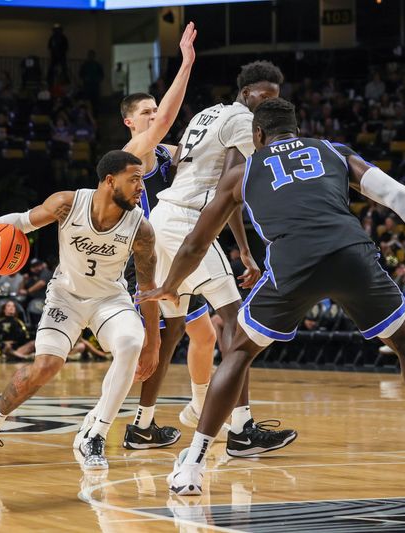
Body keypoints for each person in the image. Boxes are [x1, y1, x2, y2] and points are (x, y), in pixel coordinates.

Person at [139, 98, 405, 495]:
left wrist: (171, 283)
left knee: (239, 351)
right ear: (296, 128)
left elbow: (195, 243)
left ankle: (192, 464)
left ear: (257, 135)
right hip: (351, 254)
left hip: (293, 265)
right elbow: (398, 197)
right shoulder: (332, 150)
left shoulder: (242, 173)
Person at [133, 60, 298, 458]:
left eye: (275, 100)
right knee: (235, 318)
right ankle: (241, 429)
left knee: (173, 331)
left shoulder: (209, 114)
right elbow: (263, 173)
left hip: (167, 220)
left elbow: (229, 191)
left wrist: (243, 249)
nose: (269, 108)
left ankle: (141, 425)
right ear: (247, 95)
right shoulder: (245, 121)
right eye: (264, 98)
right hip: (188, 222)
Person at [0, 150, 160, 472]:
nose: (142, 187)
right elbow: (24, 222)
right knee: (46, 367)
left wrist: (153, 342)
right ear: (110, 181)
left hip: (109, 299)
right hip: (65, 296)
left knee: (130, 344)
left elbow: (147, 288)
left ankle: (95, 435)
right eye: (135, 179)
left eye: (142, 179)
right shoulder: (68, 204)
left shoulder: (141, 229)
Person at [75, 23, 205, 450]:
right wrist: (186, 62)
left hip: (175, 253)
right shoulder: (137, 154)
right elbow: (169, 120)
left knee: (185, 337)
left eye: (155, 110)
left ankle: (160, 418)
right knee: (155, 345)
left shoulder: (169, 152)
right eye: (146, 112)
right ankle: (123, 421)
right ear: (130, 121)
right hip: (148, 261)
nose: (155, 115)